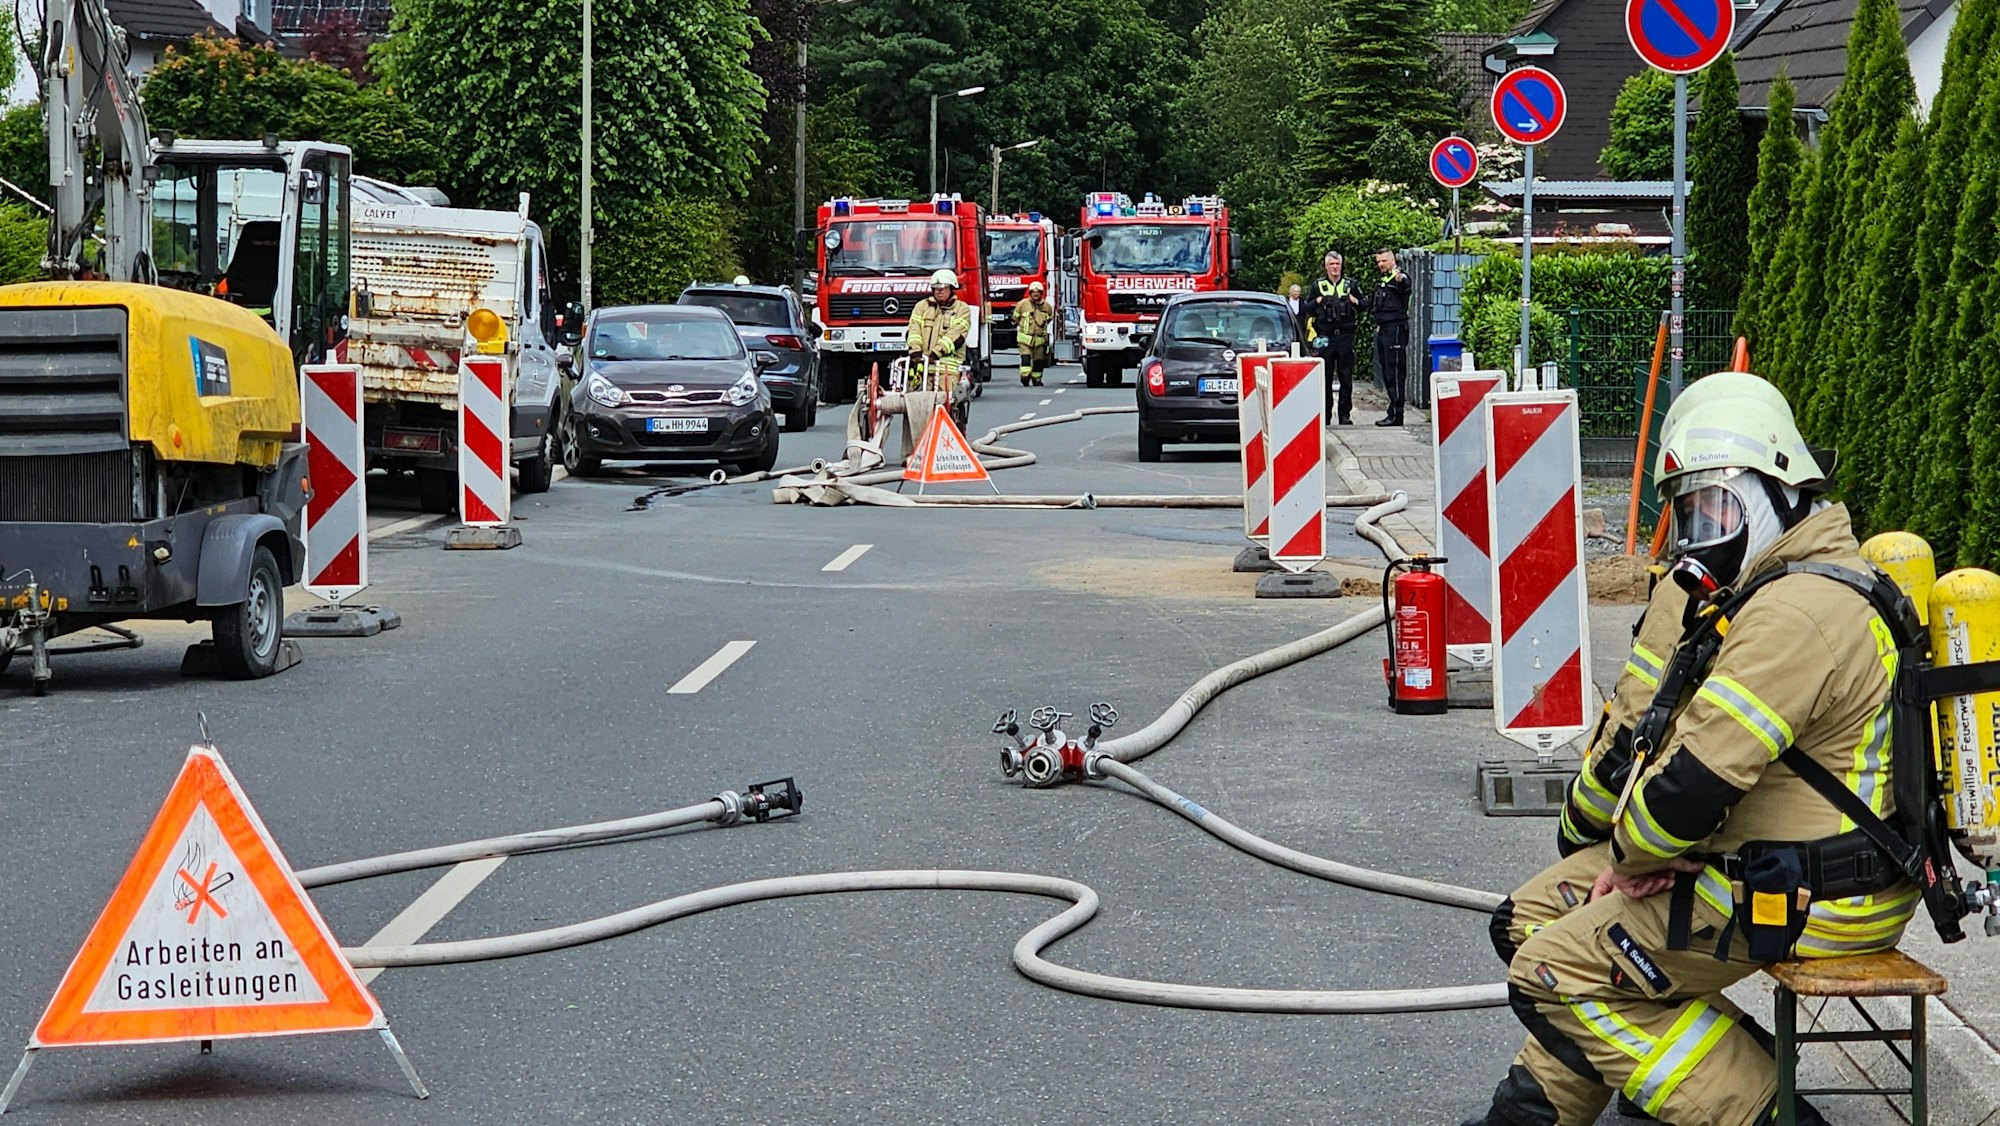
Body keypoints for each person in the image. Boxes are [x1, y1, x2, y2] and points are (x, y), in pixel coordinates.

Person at [1462, 372, 1915, 1126]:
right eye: (1691, 513)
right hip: (1767, 868)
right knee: (1526, 920)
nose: (1704, 534)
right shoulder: (1769, 590)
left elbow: (1689, 788)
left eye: (1719, 507)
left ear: (1779, 490)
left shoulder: (1798, 612)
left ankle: (1769, 1112)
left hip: (1815, 895)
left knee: (1551, 970)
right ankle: (1536, 1112)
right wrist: (1631, 859)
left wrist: (1632, 858)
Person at [1308, 251, 1360, 425]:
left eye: (1337, 264)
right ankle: (1326, 415)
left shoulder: (1350, 284)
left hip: (1345, 336)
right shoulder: (1318, 285)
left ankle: (1344, 415)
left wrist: (1354, 301)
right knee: (1325, 377)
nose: (1335, 267)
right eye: (1332, 264)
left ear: (1341, 265)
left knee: (1346, 377)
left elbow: (1365, 304)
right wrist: (1317, 301)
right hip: (1326, 337)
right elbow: (1305, 308)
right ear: (1326, 266)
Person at [905, 268, 973, 390]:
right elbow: (913, 330)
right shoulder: (921, 307)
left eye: (943, 288)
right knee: (915, 401)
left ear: (952, 288)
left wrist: (937, 352)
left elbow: (957, 335)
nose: (939, 291)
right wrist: (915, 351)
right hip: (922, 368)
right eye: (936, 288)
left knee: (946, 400)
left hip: (947, 370)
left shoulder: (962, 309)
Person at [1368, 248, 1411, 426]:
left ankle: (1397, 414)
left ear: (1392, 260)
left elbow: (1405, 284)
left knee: (1395, 371)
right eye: (1378, 261)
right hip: (1384, 329)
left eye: (1384, 261)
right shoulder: (1384, 280)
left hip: (1396, 330)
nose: (1380, 264)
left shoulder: (1399, 276)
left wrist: (1401, 278)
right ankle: (1392, 411)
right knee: (1387, 371)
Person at [1015, 281, 1056, 388]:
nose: (1036, 294)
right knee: (1026, 359)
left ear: (1041, 293)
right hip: (1025, 339)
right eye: (1034, 292)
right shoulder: (1022, 304)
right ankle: (1025, 377)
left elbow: (1050, 318)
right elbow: (1015, 317)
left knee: (1039, 361)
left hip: (1039, 340)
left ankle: (1037, 379)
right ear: (1030, 293)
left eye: (1038, 292)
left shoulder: (1047, 307)